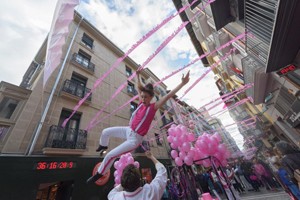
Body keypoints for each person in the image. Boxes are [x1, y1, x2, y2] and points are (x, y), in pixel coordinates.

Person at [87, 70, 190, 183]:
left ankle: (99, 173)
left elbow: (168, 95)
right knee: (105, 131)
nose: (143, 99)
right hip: (128, 130)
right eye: (142, 96)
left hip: (134, 139)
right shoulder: (141, 103)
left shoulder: (153, 107)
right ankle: (103, 145)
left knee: (111, 155)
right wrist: (137, 75)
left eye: (146, 97)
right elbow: (138, 87)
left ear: (151, 97)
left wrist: (183, 83)